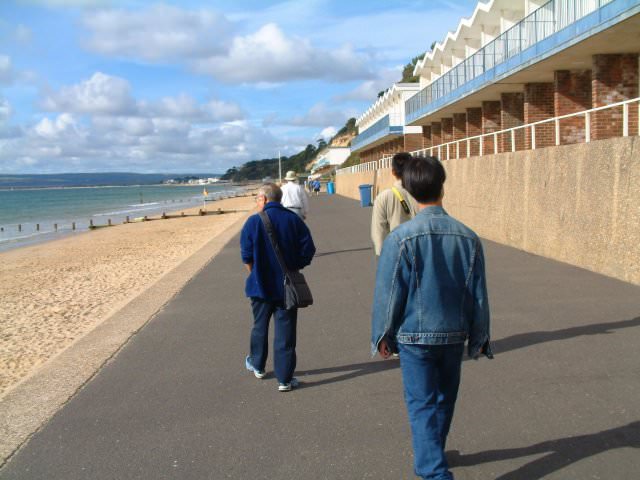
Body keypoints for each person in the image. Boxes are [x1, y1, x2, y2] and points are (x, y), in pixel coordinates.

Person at [371, 156, 492, 479]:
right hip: (454, 333)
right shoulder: (468, 236)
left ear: (409, 189)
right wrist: (479, 337)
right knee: (443, 400)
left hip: (414, 336)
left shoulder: (401, 238)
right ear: (443, 185)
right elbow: (478, 294)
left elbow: (390, 292)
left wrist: (383, 334)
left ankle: (434, 471)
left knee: (422, 403)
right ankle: (432, 452)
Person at [240, 183, 316, 392]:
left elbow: (246, 255)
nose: (256, 201)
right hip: (286, 286)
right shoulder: (294, 220)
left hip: (260, 286)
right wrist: (295, 265)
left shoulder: (253, 222)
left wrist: (254, 272)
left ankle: (258, 365)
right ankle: (284, 378)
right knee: (286, 332)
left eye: (257, 198)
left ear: (264, 199)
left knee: (259, 326)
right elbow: (308, 249)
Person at [371, 152, 418, 256]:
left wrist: (382, 257)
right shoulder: (422, 193)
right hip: (421, 253)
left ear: (393, 172)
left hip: (396, 254)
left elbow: (379, 232)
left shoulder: (383, 197)